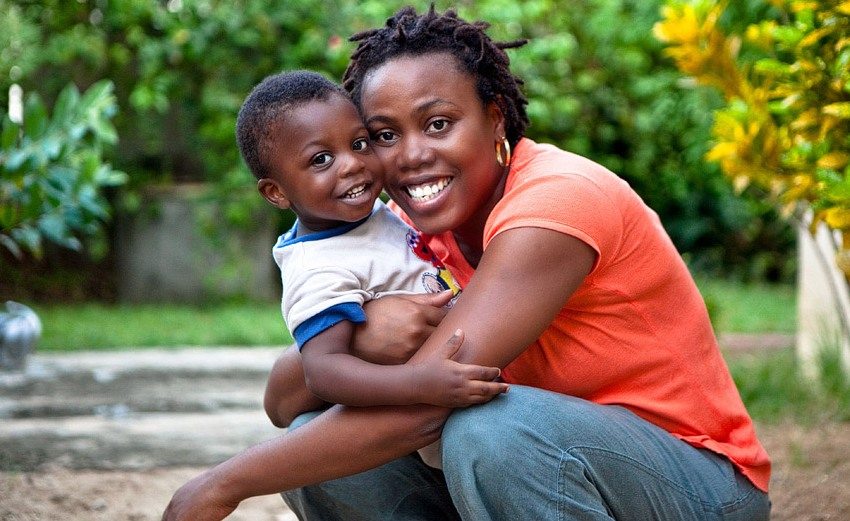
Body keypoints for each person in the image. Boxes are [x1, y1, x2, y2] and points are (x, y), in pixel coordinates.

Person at [164, 6, 771, 521]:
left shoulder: (556, 201)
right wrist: (365, 335)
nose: (411, 157)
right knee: (316, 454)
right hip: (549, 470)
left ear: (496, 118)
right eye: (382, 135)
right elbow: (283, 401)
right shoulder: (416, 228)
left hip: (694, 483)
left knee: (489, 430)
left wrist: (222, 484)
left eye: (438, 124)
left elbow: (428, 403)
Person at [235, 69, 508, 466]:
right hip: (439, 418)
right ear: (276, 192)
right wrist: (419, 384)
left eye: (360, 144)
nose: (352, 165)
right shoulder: (317, 267)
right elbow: (324, 372)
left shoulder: (376, 215)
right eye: (321, 159)